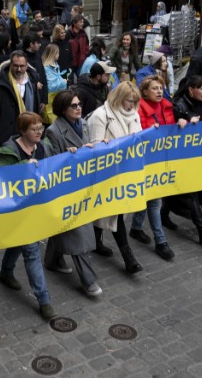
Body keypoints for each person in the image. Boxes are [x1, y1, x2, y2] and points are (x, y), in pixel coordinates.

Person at [0, 112, 58, 320]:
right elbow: (2, 177)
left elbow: (56, 166)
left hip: (37, 208)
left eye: (41, 128)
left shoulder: (44, 146)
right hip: (18, 211)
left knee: (18, 242)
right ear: (22, 131)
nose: (39, 132)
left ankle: (5, 272)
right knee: (31, 250)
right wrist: (25, 167)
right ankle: (45, 299)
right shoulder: (8, 151)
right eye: (34, 129)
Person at [43, 90, 103, 296]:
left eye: (79, 104)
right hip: (68, 191)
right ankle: (88, 279)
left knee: (64, 229)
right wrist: (71, 157)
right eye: (73, 106)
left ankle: (52, 259)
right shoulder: (53, 131)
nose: (78, 108)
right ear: (63, 109)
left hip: (84, 185)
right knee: (79, 232)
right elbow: (53, 163)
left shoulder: (84, 124)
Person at [86, 83, 153, 267]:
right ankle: (128, 258)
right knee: (114, 213)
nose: (131, 105)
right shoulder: (100, 116)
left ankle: (96, 242)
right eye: (128, 101)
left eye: (134, 101)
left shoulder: (134, 115)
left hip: (127, 173)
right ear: (118, 98)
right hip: (107, 175)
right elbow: (95, 148)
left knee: (109, 213)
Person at [163, 75, 202, 245]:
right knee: (191, 193)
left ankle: (163, 215)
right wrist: (185, 122)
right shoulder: (179, 106)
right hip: (181, 158)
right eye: (201, 88)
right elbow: (172, 130)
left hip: (196, 156)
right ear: (190, 90)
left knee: (192, 191)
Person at [132, 75, 180, 255]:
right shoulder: (139, 111)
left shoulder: (168, 106)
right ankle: (161, 241)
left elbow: (172, 130)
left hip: (163, 160)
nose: (159, 91)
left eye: (161, 88)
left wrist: (182, 123)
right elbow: (140, 135)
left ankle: (136, 227)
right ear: (144, 92)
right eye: (154, 88)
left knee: (148, 196)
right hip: (147, 161)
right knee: (154, 201)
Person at [0, 51, 44, 146]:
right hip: (4, 138)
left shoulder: (32, 83)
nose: (19, 69)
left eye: (22, 66)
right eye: (16, 66)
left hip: (28, 137)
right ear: (10, 65)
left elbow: (35, 110)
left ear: (27, 66)